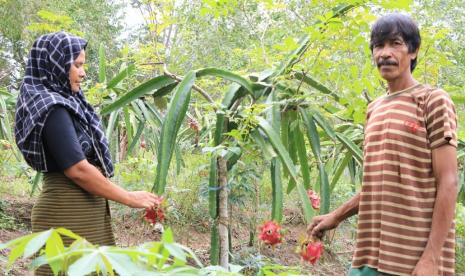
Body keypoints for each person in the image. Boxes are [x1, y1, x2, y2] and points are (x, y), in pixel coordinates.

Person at [308, 14, 457, 276]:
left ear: (413, 51)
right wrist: (337, 216)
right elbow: (378, 184)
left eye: (395, 43)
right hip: (369, 255)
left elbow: (448, 181)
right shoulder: (374, 109)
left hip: (414, 260)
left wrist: (431, 258)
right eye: (378, 45)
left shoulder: (432, 100)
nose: (385, 53)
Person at [14, 32, 160, 275]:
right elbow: (78, 169)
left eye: (83, 65)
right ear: (56, 65)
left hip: (84, 210)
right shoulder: (53, 108)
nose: (83, 72)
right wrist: (129, 197)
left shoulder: (67, 102)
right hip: (66, 212)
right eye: (77, 65)